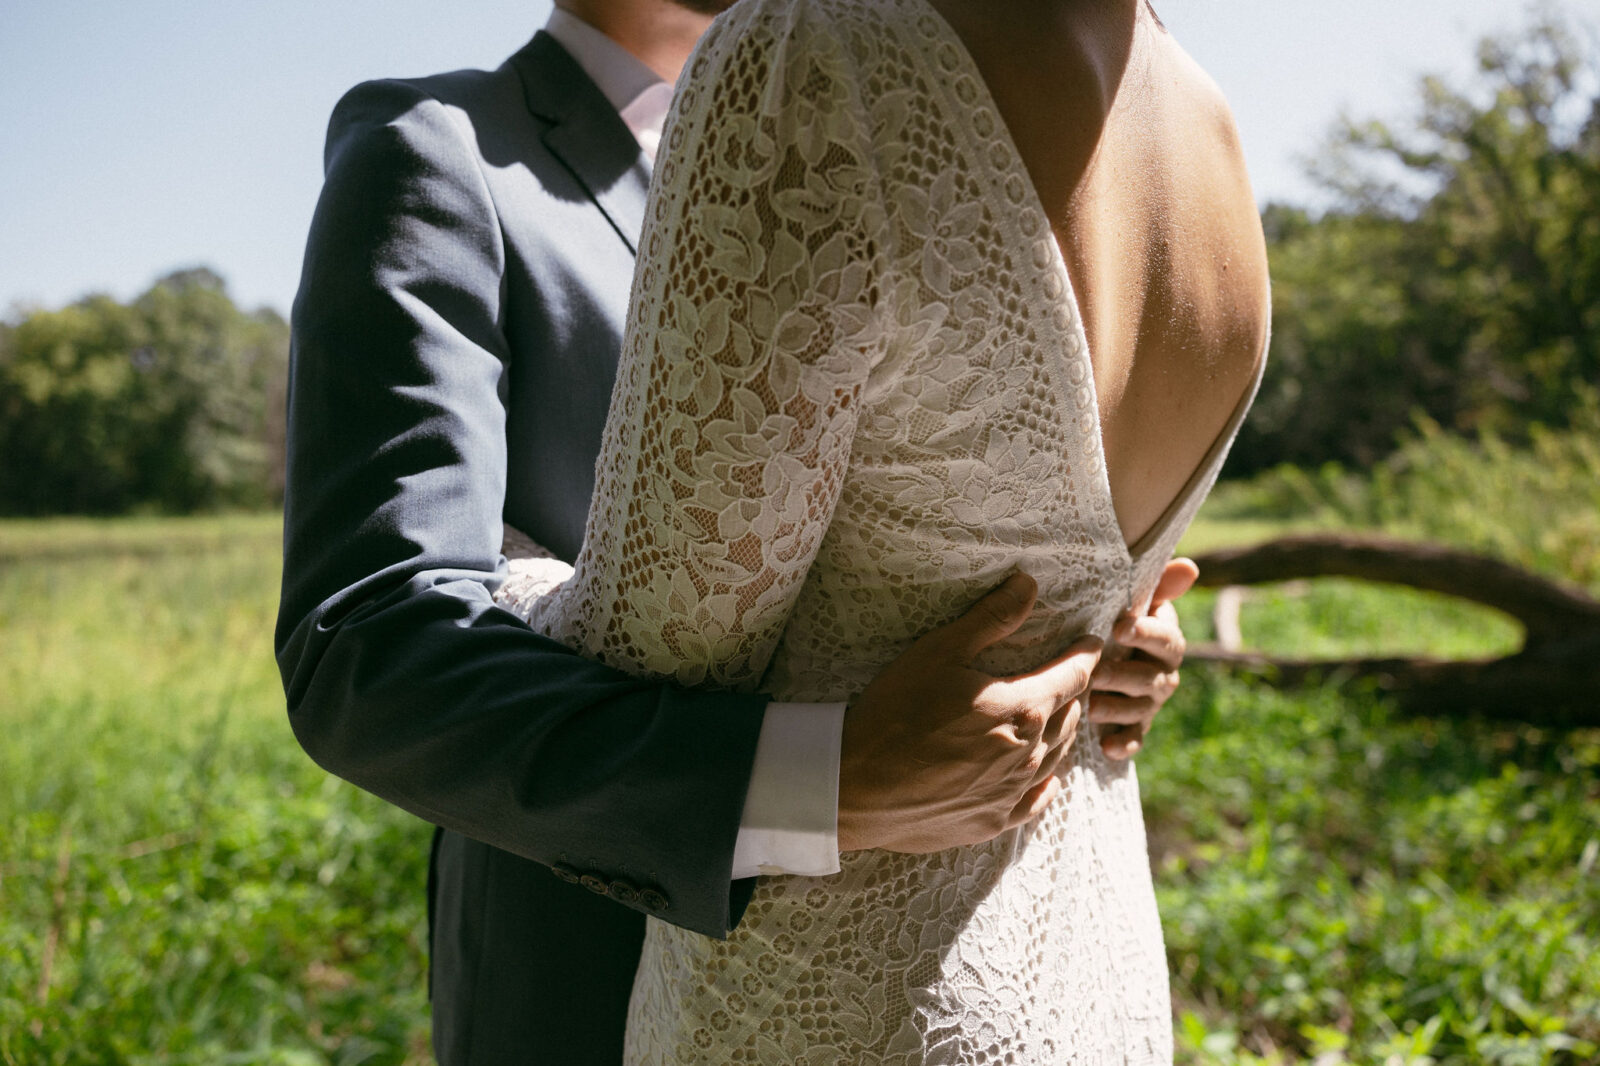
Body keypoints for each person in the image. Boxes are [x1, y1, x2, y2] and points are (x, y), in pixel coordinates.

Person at [276, 0, 1197, 1062]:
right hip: (580, 953)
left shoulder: (917, 107)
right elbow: (368, 641)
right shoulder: (437, 149)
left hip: (954, 956)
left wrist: (1094, 641)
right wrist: (819, 781)